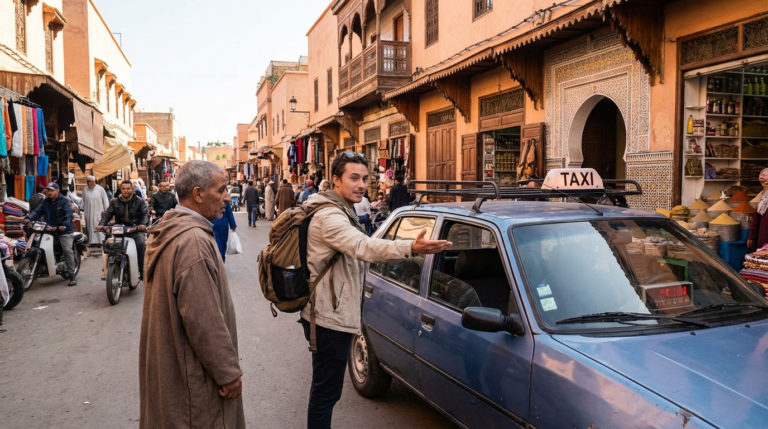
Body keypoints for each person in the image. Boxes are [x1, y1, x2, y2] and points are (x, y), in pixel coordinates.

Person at [300, 153, 452, 429]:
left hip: (330, 312)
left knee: (326, 390)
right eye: (353, 178)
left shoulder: (342, 209)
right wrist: (410, 248)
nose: (361, 185)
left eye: (364, 179)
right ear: (336, 180)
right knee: (326, 392)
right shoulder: (330, 217)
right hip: (327, 318)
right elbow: (364, 247)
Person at [139, 160, 244, 429]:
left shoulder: (174, 230)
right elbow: (204, 321)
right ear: (198, 194)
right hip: (192, 378)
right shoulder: (193, 242)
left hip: (175, 368)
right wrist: (228, 373)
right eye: (221, 190)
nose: (226, 198)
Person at [24, 183, 78, 286]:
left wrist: (64, 225)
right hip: (50, 229)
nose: (49, 192)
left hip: (64, 230)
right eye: (47, 190)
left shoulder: (65, 201)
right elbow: (37, 212)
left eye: (51, 190)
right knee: (38, 244)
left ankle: (72, 275)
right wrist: (29, 218)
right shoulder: (45, 202)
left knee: (67, 250)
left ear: (57, 190)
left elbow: (68, 215)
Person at [96, 180, 149, 280]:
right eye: (123, 189)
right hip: (120, 229)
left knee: (141, 244)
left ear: (133, 189)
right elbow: (107, 214)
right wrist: (101, 225)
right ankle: (106, 269)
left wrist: (142, 225)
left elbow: (145, 214)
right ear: (120, 189)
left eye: (128, 188)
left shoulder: (140, 201)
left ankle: (142, 271)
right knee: (109, 245)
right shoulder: (114, 201)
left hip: (135, 229)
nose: (126, 191)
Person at [81, 176, 110, 246]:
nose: (90, 183)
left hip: (99, 212)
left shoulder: (101, 190)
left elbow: (106, 201)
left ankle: (101, 242)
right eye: (88, 181)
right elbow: (83, 201)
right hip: (89, 213)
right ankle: (92, 243)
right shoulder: (85, 190)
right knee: (90, 227)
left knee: (99, 227)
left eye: (92, 181)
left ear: (95, 182)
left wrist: (107, 211)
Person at [749, 168, 768, 250]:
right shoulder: (763, 198)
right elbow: (756, 219)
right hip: (763, 237)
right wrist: (751, 237)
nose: (765, 184)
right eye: (762, 182)